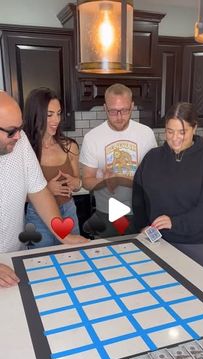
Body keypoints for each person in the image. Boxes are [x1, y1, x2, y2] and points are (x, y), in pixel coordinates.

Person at [0, 91, 88, 288]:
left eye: (20, 128)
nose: (19, 136)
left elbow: (39, 192)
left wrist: (64, 235)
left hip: (14, 255)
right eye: (11, 131)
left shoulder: (20, 142)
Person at [132, 102, 203, 270]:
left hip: (196, 243)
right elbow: (138, 193)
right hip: (157, 238)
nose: (175, 138)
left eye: (182, 132)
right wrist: (142, 225)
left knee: (193, 290)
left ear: (194, 128)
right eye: (170, 131)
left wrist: (174, 223)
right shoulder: (152, 157)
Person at [79, 83, 157, 237]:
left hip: (140, 213)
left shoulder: (146, 134)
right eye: (113, 111)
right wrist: (103, 181)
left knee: (141, 258)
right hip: (107, 215)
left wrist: (119, 180)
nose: (120, 117)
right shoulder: (92, 138)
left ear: (132, 106)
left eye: (125, 110)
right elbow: (87, 182)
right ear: (105, 108)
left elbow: (152, 179)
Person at [24, 87, 83, 248]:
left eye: (58, 113)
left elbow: (79, 184)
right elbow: (17, 196)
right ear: (36, 115)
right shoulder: (24, 149)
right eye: (49, 114)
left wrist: (75, 183)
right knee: (41, 261)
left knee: (74, 260)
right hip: (38, 216)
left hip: (69, 211)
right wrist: (47, 190)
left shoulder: (70, 146)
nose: (56, 120)